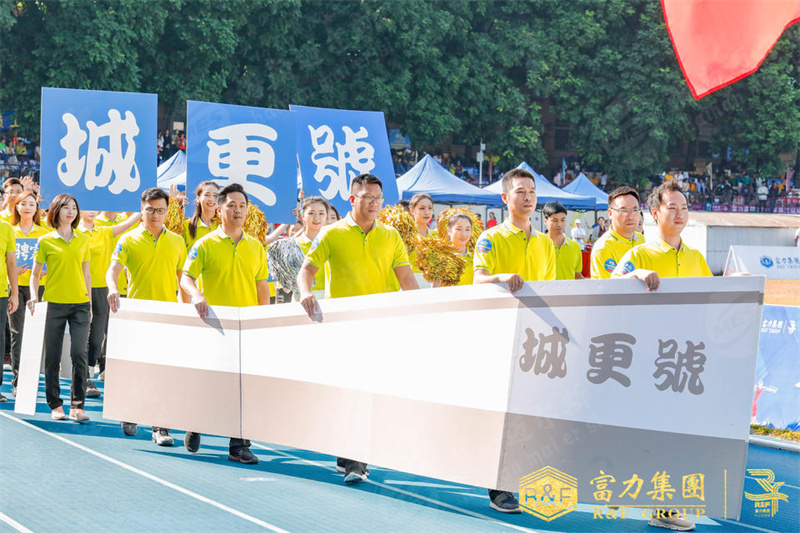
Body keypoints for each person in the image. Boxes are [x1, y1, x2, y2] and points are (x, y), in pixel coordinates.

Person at [298, 173, 418, 484]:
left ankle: (352, 454)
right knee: (351, 393)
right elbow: (306, 272)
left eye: (378, 198)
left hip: (381, 326)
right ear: (352, 199)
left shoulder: (391, 236)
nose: (374, 203)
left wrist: (422, 308)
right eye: (367, 197)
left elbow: (406, 278)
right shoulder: (331, 234)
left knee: (372, 394)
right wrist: (306, 292)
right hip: (344, 329)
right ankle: (355, 460)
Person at [611, 182, 708, 533]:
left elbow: (713, 301)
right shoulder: (639, 254)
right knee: (640, 430)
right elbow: (610, 288)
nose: (680, 214)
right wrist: (634, 275)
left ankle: (663, 508)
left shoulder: (696, 258)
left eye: (684, 207)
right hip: (644, 361)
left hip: (682, 362)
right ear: (655, 213)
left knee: (674, 434)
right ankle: (620, 481)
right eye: (672, 207)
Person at [473, 168, 555, 513]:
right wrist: (500, 277)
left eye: (532, 191)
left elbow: (552, 289)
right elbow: (477, 280)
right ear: (505, 198)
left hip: (537, 340)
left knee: (532, 414)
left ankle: (520, 478)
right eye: (520, 191)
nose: (528, 197)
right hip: (502, 336)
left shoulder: (545, 243)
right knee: (503, 415)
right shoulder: (490, 239)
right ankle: (499, 487)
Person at [181, 183, 270, 465]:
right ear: (219, 210)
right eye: (231, 205)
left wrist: (264, 320)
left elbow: (262, 286)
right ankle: (196, 422)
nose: (237, 210)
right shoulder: (205, 244)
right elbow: (186, 277)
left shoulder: (255, 247)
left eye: (242, 206)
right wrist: (197, 295)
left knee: (243, 388)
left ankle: (239, 445)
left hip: (245, 325)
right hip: (214, 324)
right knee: (211, 382)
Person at [108, 188, 188, 445]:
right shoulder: (128, 239)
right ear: (141, 209)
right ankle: (130, 410)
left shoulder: (177, 241)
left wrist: (186, 311)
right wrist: (113, 288)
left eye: (160, 210)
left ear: (167, 211)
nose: (155, 215)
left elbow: (183, 280)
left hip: (168, 314)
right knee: (138, 369)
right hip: (137, 315)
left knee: (164, 373)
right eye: (150, 210)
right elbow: (113, 270)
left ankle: (161, 427)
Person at [28, 194, 90, 421]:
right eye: (66, 207)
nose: (71, 211)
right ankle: (55, 405)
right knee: (53, 357)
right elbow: (35, 275)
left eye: (74, 207)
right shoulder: (45, 241)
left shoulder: (83, 239)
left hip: (80, 305)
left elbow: (86, 273)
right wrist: (34, 296)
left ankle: (78, 405)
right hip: (53, 304)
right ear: (56, 211)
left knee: (79, 353)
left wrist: (90, 303)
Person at [77, 209, 140, 399]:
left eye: (95, 207)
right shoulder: (74, 232)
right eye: (88, 206)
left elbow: (127, 224)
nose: (92, 211)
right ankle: (82, 378)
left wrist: (141, 207)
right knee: (81, 333)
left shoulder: (104, 231)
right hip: (79, 288)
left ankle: (88, 371)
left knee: (97, 336)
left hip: (102, 289)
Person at [7, 191, 48, 397]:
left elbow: (52, 260)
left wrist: (45, 270)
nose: (27, 208)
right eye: (23, 204)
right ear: (16, 207)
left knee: (35, 334)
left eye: (32, 204)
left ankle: (32, 379)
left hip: (39, 288)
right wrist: (12, 273)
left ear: (36, 208)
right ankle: (18, 380)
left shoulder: (44, 233)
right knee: (17, 334)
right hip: (14, 288)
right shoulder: (9, 231)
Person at [590, 186, 645, 279]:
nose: (630, 216)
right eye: (623, 210)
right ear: (610, 213)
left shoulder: (641, 239)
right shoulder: (604, 247)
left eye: (635, 210)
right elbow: (612, 286)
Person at [294, 196, 330, 297]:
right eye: (311, 213)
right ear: (303, 216)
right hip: (302, 297)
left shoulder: (333, 242)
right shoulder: (294, 245)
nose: (316, 218)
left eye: (321, 213)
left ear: (326, 216)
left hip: (330, 297)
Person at [543, 202, 584, 280]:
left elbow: (577, 275)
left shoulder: (575, 246)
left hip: (570, 288)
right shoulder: (537, 244)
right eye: (555, 220)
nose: (559, 224)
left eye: (562, 220)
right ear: (546, 222)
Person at [436, 213, 474, 286]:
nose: (464, 234)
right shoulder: (442, 257)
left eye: (467, 229)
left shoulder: (475, 257)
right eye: (459, 229)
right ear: (449, 231)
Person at [184, 181, 220, 250]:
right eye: (207, 195)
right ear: (198, 198)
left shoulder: (224, 226)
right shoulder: (186, 226)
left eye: (215, 195)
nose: (211, 199)